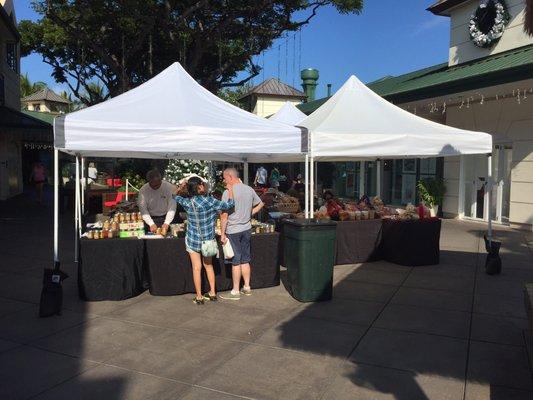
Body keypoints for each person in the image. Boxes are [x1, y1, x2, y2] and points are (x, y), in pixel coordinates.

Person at [175, 176, 235, 305]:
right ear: (200, 186)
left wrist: (180, 188)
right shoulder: (210, 201)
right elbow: (230, 204)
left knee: (196, 268)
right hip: (208, 240)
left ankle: (199, 297)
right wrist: (230, 190)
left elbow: (174, 196)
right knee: (209, 266)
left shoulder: (187, 202)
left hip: (192, 240)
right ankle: (213, 293)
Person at [219, 168, 264, 300]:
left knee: (236, 261)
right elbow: (261, 204)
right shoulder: (249, 189)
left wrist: (222, 234)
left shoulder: (227, 192)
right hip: (247, 228)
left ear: (230, 177)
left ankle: (235, 291)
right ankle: (247, 287)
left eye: (224, 177)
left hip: (233, 230)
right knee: (245, 259)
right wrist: (249, 214)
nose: (223, 180)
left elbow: (224, 216)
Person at [138, 169, 177, 234]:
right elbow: (143, 209)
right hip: (151, 217)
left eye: (158, 184)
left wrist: (167, 222)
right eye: (153, 185)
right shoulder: (143, 190)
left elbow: (172, 207)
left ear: (160, 180)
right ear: (149, 182)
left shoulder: (168, 187)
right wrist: (151, 223)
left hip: (166, 216)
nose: (156, 187)